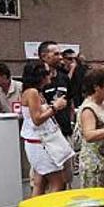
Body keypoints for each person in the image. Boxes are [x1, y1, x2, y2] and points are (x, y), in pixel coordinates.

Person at [20, 60, 70, 196]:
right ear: (40, 75)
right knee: (58, 183)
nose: (51, 75)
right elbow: (37, 119)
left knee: (40, 182)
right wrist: (55, 107)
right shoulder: (32, 92)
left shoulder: (35, 92)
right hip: (41, 144)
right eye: (47, 72)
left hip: (38, 142)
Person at [38, 41, 75, 185]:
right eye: (56, 54)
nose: (60, 57)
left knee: (67, 176)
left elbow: (70, 101)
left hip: (65, 133)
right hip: (46, 136)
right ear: (44, 56)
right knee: (46, 178)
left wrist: (70, 122)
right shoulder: (39, 80)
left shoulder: (63, 76)